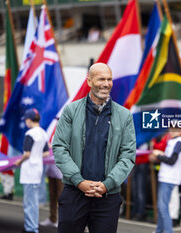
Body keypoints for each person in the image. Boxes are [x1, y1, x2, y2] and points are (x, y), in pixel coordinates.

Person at [52, 63, 136, 233]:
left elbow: (128, 155)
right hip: (74, 194)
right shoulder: (71, 111)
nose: (106, 83)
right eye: (101, 79)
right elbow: (60, 148)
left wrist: (108, 184)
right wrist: (79, 181)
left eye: (109, 79)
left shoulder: (124, 115)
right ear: (89, 81)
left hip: (107, 197)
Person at [15, 108, 50, 233]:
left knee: (29, 202)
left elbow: (27, 154)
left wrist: (19, 161)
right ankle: (33, 226)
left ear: (29, 120)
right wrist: (36, 155)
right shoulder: (43, 133)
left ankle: (30, 228)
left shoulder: (29, 134)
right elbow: (46, 153)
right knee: (33, 201)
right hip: (38, 169)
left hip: (29, 171)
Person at [149, 123, 181, 233]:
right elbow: (170, 158)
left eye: (176, 128)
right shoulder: (173, 141)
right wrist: (160, 154)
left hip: (170, 178)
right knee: (162, 207)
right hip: (166, 177)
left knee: (163, 207)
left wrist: (158, 155)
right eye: (171, 127)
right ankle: (159, 230)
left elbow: (172, 160)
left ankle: (168, 231)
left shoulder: (179, 141)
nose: (172, 130)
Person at [39, 163, 64, 228]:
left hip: (61, 172)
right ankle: (52, 219)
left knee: (61, 198)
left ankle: (62, 221)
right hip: (51, 171)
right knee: (52, 196)